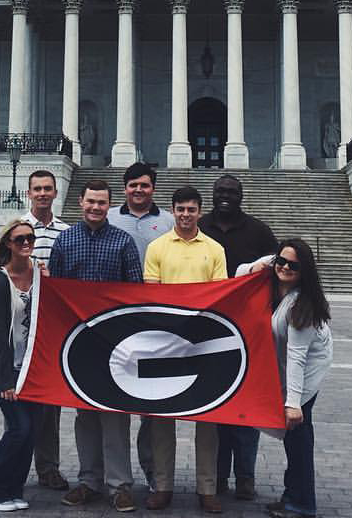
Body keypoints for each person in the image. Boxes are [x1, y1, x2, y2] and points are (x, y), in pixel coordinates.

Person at [50, 179, 144, 513]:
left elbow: (135, 294)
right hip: (79, 344)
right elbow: (56, 293)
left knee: (115, 415)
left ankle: (119, 485)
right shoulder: (65, 240)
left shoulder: (123, 242)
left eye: (102, 203)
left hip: (114, 344)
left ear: (109, 205)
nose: (95, 207)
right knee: (85, 414)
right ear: (80, 201)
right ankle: (89, 480)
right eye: (91, 201)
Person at [142, 186, 228, 515]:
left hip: (203, 344)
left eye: (191, 209)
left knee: (207, 418)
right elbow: (152, 295)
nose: (185, 214)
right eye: (180, 209)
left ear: (199, 211)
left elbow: (220, 295)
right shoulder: (157, 247)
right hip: (165, 343)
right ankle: (163, 485)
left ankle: (207, 487)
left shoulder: (215, 249)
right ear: (172, 210)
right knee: (162, 418)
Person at [197, 174, 278, 501]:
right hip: (209, 334)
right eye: (220, 191)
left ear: (241, 196)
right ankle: (216, 477)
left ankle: (245, 475)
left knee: (245, 411)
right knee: (216, 410)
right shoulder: (199, 227)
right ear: (212, 195)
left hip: (248, 333)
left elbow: (277, 270)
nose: (225, 196)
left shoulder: (259, 231)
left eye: (231, 191)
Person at [242, 240, 333, 518]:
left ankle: (302, 504)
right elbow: (239, 274)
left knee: (298, 441)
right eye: (281, 261)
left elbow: (297, 357)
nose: (284, 267)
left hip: (306, 376)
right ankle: (292, 495)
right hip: (291, 371)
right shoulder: (276, 289)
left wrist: (293, 403)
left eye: (293, 265)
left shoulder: (300, 306)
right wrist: (266, 262)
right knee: (293, 441)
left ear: (304, 270)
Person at [108, 162, 174, 492]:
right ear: (124, 188)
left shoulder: (170, 222)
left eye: (144, 185)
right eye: (133, 185)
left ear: (153, 188)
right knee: (113, 401)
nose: (138, 190)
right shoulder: (107, 217)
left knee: (153, 404)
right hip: (115, 322)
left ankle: (153, 470)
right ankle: (116, 478)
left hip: (156, 324)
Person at [0, 219, 40, 513]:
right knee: (18, 428)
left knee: (30, 432)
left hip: (30, 365)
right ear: (7, 244)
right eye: (19, 239)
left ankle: (13, 489)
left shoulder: (38, 272)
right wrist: (6, 381)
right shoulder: (0, 281)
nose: (26, 243)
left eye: (30, 237)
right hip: (3, 366)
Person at [21, 169, 71, 492]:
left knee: (50, 402)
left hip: (52, 326)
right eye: (37, 189)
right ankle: (18, 463)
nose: (42, 193)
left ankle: (48, 466)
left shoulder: (67, 232)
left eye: (47, 189)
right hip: (22, 327)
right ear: (29, 193)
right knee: (20, 400)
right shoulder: (16, 229)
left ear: (55, 193)